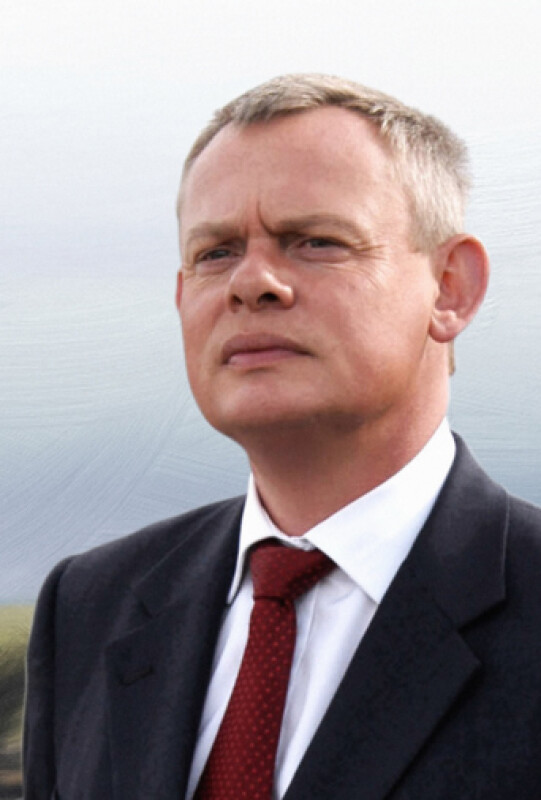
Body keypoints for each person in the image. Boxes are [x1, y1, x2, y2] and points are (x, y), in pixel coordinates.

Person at [23, 74, 541, 799]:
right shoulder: (90, 607)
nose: (252, 282)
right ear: (182, 297)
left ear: (450, 286)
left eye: (315, 241)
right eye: (215, 252)